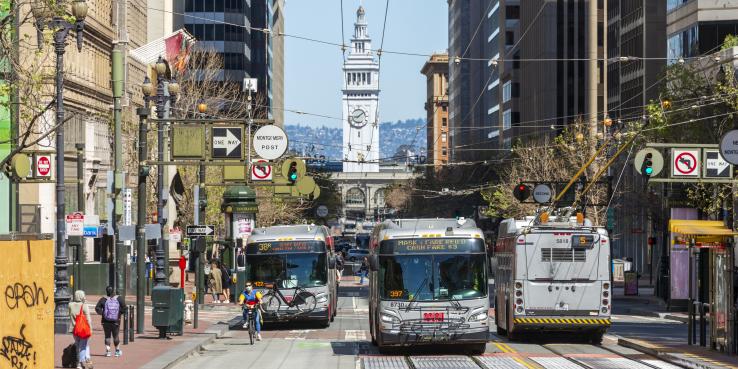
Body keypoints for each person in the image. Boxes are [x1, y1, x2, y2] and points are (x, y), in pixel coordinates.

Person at [95, 286, 126, 358]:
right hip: (116, 321)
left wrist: (102, 313)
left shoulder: (103, 299)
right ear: (113, 291)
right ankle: (117, 352)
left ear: (106, 291)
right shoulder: (119, 298)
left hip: (105, 321)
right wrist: (119, 313)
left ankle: (108, 352)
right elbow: (125, 308)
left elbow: (97, 308)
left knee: (107, 336)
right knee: (116, 336)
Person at [69, 290, 93, 369]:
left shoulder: (70, 305)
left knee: (78, 345)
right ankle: (80, 363)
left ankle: (84, 359)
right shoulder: (84, 305)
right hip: (83, 329)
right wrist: (90, 328)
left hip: (74, 329)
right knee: (83, 346)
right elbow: (88, 319)